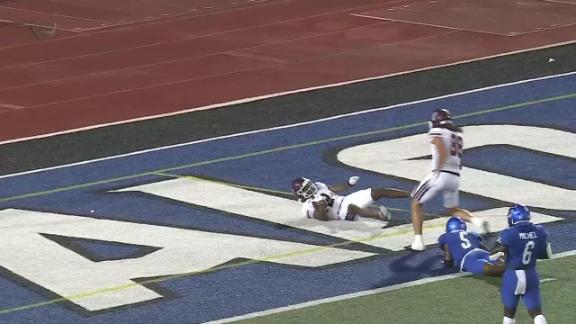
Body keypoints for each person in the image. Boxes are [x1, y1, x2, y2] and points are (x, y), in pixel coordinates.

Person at [408, 108, 489, 251]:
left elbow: (442, 151)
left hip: (441, 174)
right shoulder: (457, 135)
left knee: (416, 203)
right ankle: (477, 222)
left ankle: (418, 242)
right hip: (454, 176)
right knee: (452, 209)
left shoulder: (437, 131)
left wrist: (436, 171)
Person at [498, 204, 552, 324]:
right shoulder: (540, 231)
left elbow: (495, 252)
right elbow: (547, 254)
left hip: (512, 276)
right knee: (537, 314)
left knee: (509, 315)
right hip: (531, 274)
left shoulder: (508, 233)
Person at [291, 176, 410, 222]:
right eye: (306, 188)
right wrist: (321, 208)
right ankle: (377, 213)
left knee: (377, 191)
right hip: (340, 213)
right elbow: (323, 218)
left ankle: (411, 194)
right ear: (301, 193)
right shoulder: (306, 207)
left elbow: (334, 189)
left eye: (308, 185)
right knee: (351, 208)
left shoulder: (319, 185)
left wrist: (348, 184)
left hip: (345, 199)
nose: (310, 188)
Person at [438, 216, 505, 276]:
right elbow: (481, 246)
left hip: (467, 257)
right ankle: (490, 258)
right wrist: (488, 253)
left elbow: (448, 257)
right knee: (492, 262)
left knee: (491, 270)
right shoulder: (471, 234)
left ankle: (508, 269)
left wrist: (447, 266)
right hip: (480, 251)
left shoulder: (446, 237)